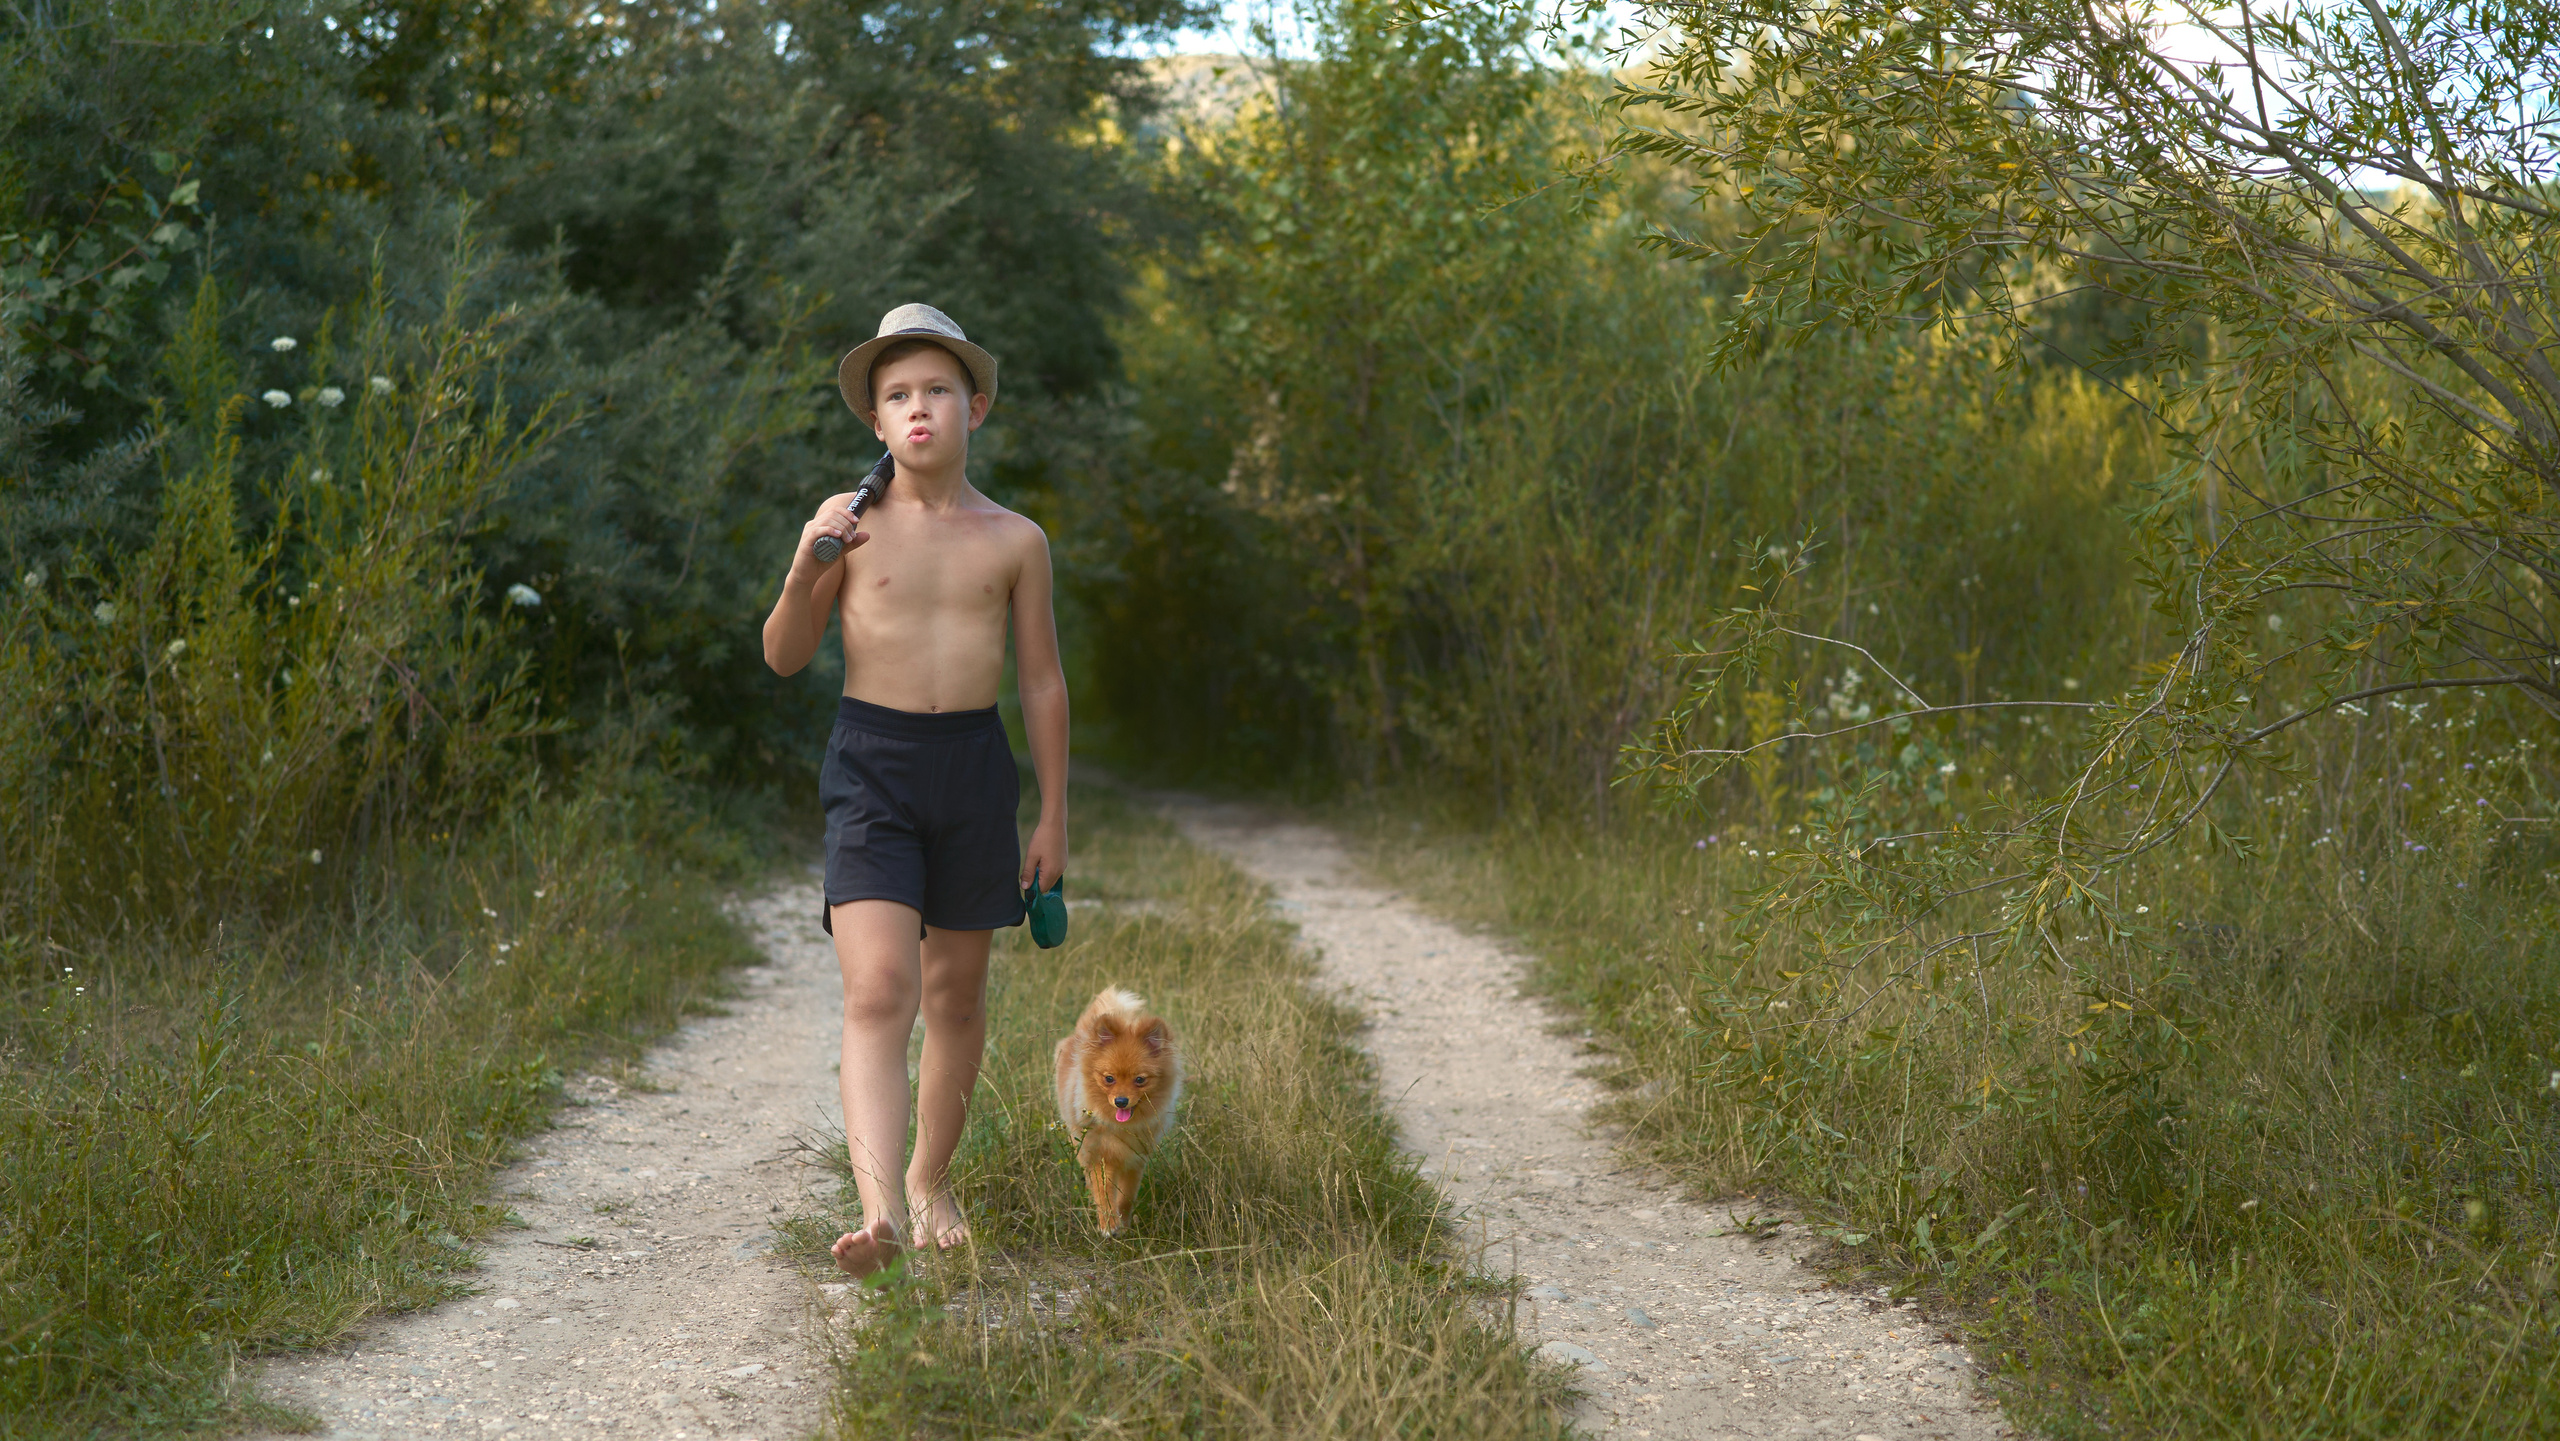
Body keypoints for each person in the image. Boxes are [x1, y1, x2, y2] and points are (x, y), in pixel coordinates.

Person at [760, 303, 1068, 1276]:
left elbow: (1041, 682)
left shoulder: (1015, 539)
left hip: (972, 768)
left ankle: (933, 1177)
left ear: (974, 405)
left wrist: (1054, 811)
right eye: (898, 395)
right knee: (880, 986)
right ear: (877, 422)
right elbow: (782, 655)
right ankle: (880, 1209)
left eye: (937, 388)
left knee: (957, 995)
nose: (919, 406)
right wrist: (806, 562)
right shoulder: (847, 529)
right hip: (872, 765)